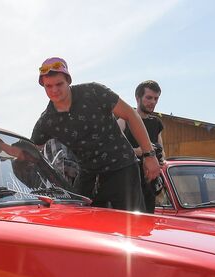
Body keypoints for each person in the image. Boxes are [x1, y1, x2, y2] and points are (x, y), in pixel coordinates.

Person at [27, 57, 159, 211]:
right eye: (48, 86)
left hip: (121, 167)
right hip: (88, 173)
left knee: (131, 225)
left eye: (59, 84)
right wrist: (1, 147)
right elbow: (29, 152)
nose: (54, 90)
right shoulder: (47, 120)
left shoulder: (94, 92)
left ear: (68, 80)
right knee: (79, 219)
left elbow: (130, 114)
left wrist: (150, 155)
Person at [118, 80, 165, 213]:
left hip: (149, 186)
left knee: (147, 226)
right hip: (128, 186)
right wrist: (138, 151)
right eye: (149, 97)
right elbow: (114, 150)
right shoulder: (124, 120)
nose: (153, 102)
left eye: (156, 98)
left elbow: (162, 152)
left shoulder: (157, 123)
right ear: (137, 98)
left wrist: (160, 161)